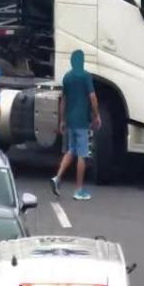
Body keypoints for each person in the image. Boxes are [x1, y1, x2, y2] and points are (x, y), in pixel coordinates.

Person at [50, 49, 101, 201]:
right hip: (81, 122)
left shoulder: (67, 77)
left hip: (70, 120)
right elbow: (92, 97)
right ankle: (78, 190)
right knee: (82, 155)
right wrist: (96, 115)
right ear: (82, 61)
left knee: (71, 150)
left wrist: (62, 120)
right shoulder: (85, 77)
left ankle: (57, 177)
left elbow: (63, 100)